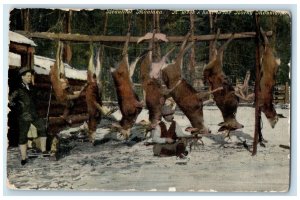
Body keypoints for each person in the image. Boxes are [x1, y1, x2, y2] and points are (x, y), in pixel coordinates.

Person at [12, 67, 48, 165]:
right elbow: (10, 101)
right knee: (23, 136)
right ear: (22, 77)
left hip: (34, 114)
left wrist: (46, 93)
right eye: (28, 76)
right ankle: (24, 158)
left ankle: (44, 151)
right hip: (24, 116)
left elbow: (40, 95)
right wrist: (19, 108)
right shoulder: (18, 89)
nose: (29, 77)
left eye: (30, 76)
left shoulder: (32, 88)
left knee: (42, 128)